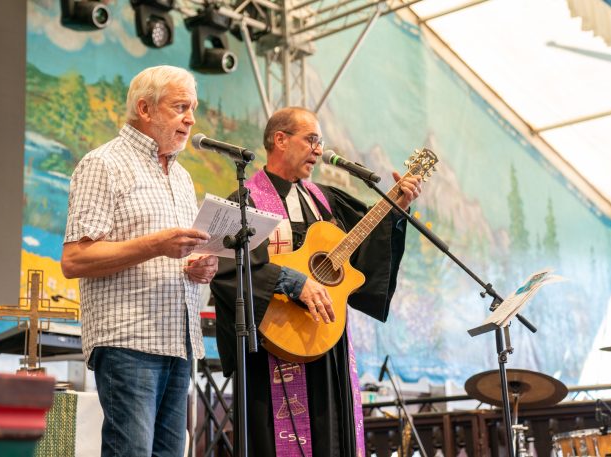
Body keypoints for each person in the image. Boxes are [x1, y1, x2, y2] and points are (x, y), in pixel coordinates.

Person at [210, 107, 423, 457]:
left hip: (326, 342)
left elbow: (364, 254)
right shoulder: (245, 201)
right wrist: (291, 282)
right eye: (311, 139)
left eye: (320, 142)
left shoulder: (326, 201)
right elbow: (228, 269)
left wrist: (396, 207)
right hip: (273, 343)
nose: (319, 151)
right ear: (280, 139)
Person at [61, 65, 218, 457]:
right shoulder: (104, 164)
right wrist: (156, 245)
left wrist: (198, 268)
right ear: (145, 109)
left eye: (193, 108)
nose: (191, 118)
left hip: (178, 341)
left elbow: (172, 253)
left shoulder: (180, 177)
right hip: (129, 342)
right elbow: (75, 259)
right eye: (181, 106)